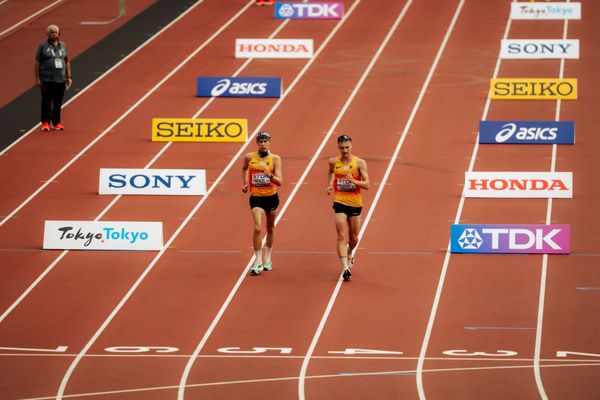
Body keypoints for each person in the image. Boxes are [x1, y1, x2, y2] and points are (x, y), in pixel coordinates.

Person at [326, 135, 370, 281]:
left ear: (351, 146)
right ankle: (345, 268)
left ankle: (350, 251)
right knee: (341, 236)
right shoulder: (333, 162)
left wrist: (353, 181)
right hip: (339, 202)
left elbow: (367, 185)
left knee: (354, 238)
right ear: (338, 147)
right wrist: (329, 184)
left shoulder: (359, 163)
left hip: (355, 204)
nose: (344, 150)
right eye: (342, 148)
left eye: (347, 147)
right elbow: (331, 172)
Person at [242, 131, 282, 275]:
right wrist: (246, 183)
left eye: (266, 141)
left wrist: (269, 175)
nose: (263, 144)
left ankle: (268, 259)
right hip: (256, 197)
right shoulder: (249, 157)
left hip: (271, 197)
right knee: (258, 228)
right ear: (257, 143)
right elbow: (244, 168)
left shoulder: (275, 159)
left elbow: (280, 182)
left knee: (270, 227)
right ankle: (258, 261)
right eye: (261, 141)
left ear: (269, 142)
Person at [34, 24, 72, 131]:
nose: (54, 34)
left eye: (56, 32)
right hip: (47, 79)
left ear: (59, 33)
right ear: (48, 34)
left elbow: (67, 62)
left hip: (60, 79)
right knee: (46, 101)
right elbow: (37, 62)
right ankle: (45, 122)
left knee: (58, 102)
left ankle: (56, 122)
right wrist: (37, 78)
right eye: (52, 32)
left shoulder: (63, 45)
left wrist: (69, 76)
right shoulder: (43, 46)